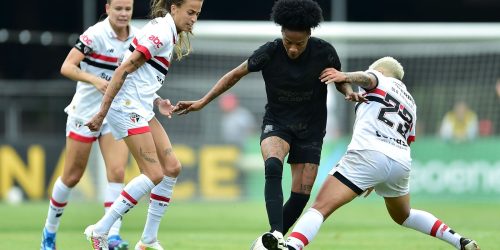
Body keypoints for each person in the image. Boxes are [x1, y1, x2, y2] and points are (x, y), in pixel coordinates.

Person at [173, 0, 364, 249]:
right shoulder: (270, 51)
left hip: (312, 129)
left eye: (299, 43)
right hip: (278, 123)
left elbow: (336, 78)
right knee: (273, 163)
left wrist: (347, 90)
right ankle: (275, 232)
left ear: (309, 34)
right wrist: (202, 101)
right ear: (281, 34)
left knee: (301, 193)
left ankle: (268, 243)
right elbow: (234, 75)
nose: (293, 49)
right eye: (288, 42)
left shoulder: (325, 52)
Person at [285, 57, 480, 250]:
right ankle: (459, 241)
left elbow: (367, 78)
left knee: (319, 208)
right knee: (405, 215)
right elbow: (408, 139)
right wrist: (376, 176)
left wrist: (344, 75)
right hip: (400, 161)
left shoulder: (381, 79)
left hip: (369, 153)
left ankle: (291, 246)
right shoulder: (411, 103)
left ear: (382, 71)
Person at [84, 0, 204, 249]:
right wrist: (101, 113)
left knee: (172, 167)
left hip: (140, 105)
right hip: (125, 106)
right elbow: (123, 70)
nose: (193, 18)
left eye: (197, 14)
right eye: (190, 12)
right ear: (174, 8)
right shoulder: (161, 33)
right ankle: (100, 230)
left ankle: (148, 239)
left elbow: (141, 77)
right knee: (153, 173)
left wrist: (157, 100)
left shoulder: (168, 32)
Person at [40, 1, 135, 249]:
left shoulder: (137, 38)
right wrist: (93, 79)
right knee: (72, 176)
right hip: (85, 113)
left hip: (113, 113)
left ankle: (111, 236)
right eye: (119, 9)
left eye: (128, 8)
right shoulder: (94, 35)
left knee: (117, 172)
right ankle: (49, 233)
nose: (124, 13)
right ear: (108, 8)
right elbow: (67, 66)